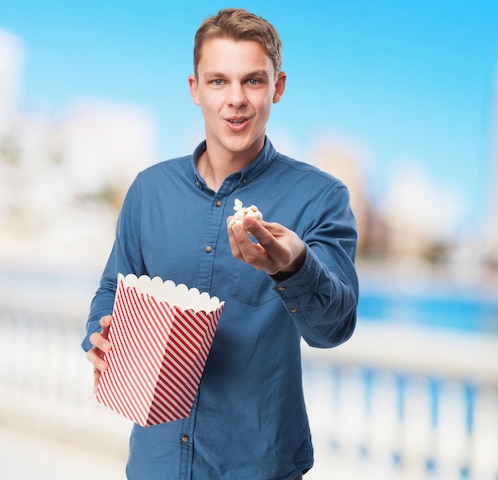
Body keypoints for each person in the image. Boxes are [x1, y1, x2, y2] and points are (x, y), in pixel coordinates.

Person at [82, 7, 358, 480]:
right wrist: (100, 336)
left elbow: (334, 328)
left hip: (258, 467)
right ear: (194, 89)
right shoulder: (150, 190)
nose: (236, 100)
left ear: (278, 87)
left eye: (253, 81)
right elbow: (112, 289)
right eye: (217, 82)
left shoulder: (321, 198)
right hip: (155, 464)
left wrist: (292, 266)